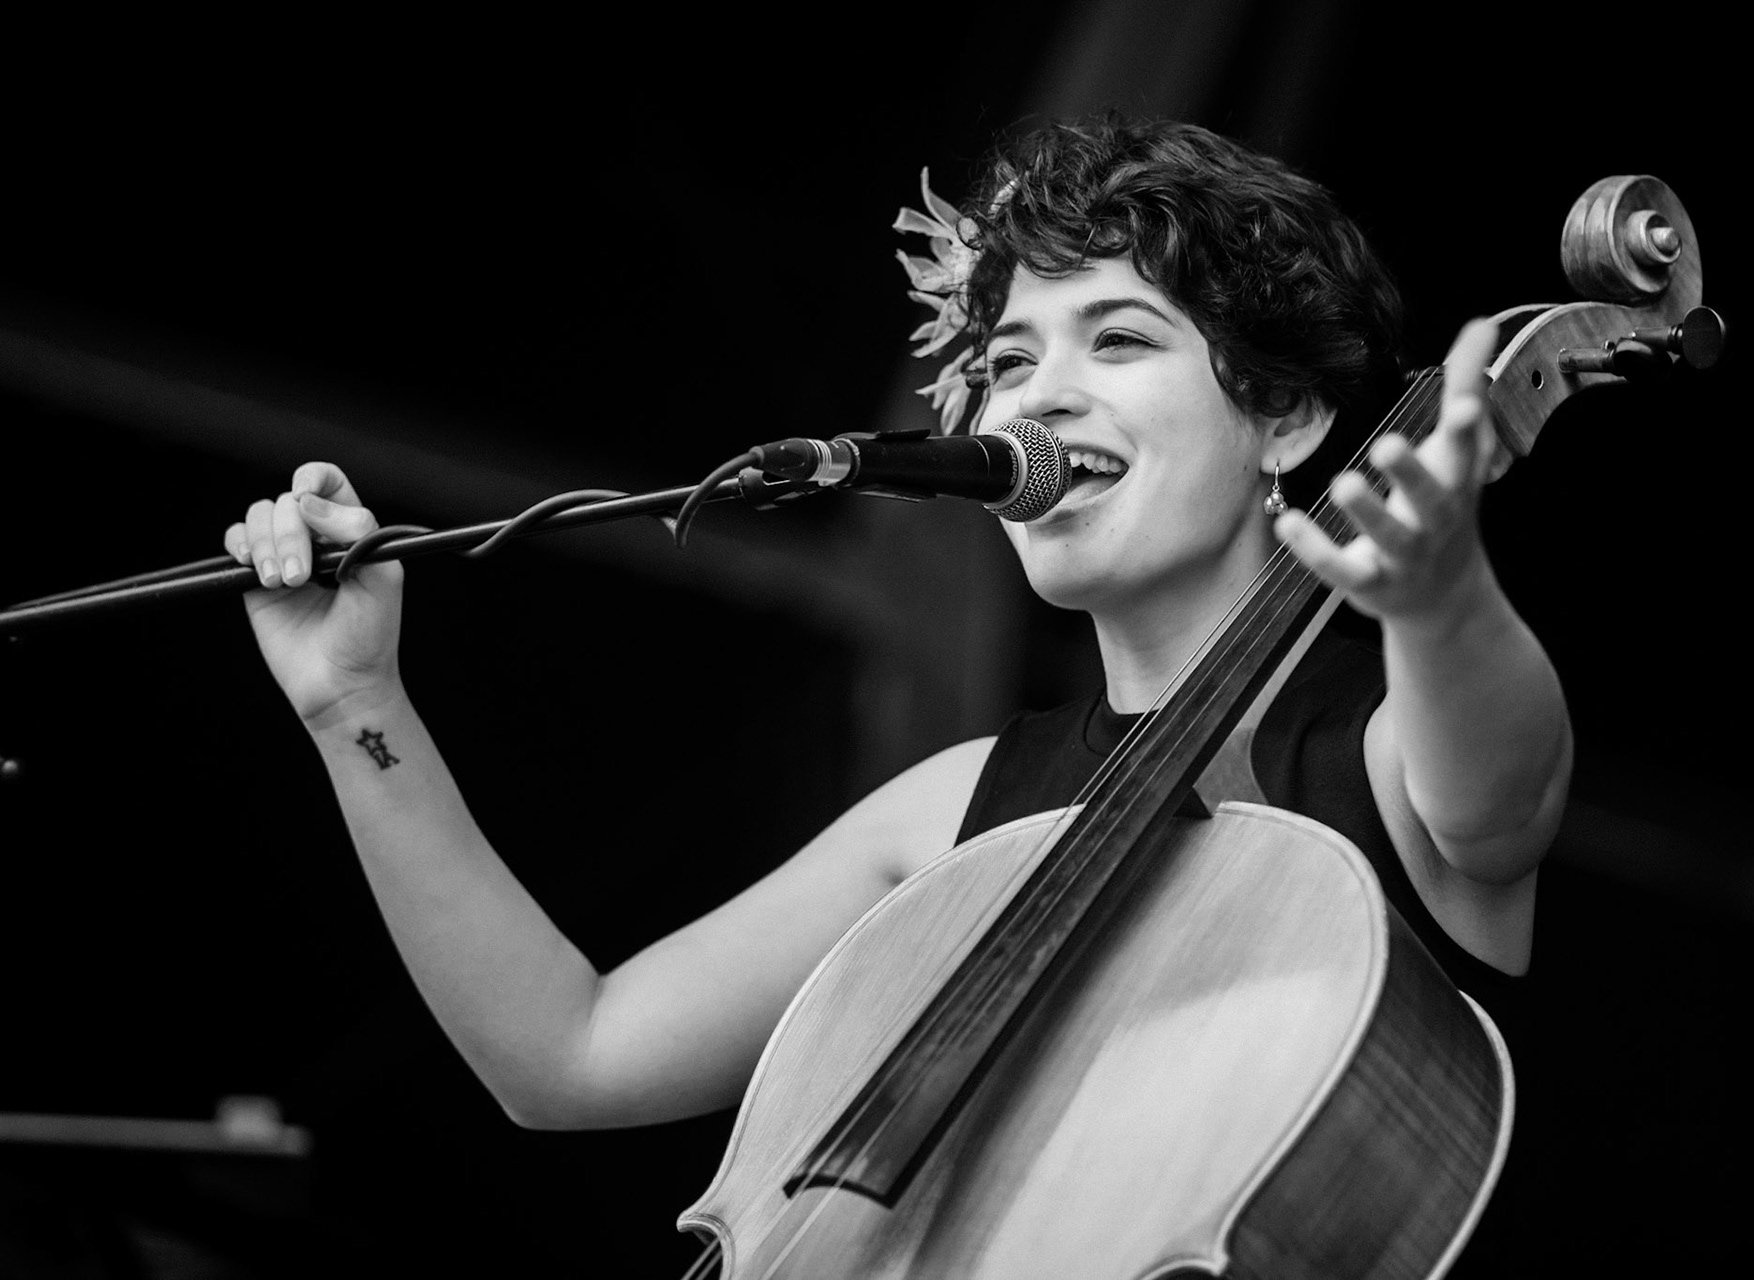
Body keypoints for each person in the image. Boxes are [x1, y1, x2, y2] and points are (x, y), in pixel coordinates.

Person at [225, 116, 1570, 1272]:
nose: (1037, 400)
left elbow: (1493, 800)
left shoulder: (1384, 742)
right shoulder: (958, 811)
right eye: (1005, 361)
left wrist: (1441, 595)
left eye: (1117, 340)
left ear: (1280, 417)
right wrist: (355, 703)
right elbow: (565, 1059)